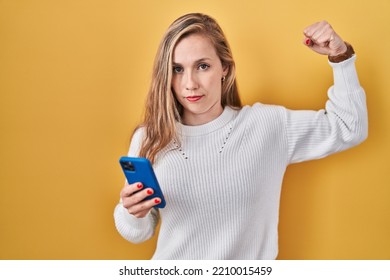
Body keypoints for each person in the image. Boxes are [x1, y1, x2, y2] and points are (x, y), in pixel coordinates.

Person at [113, 13, 368, 260]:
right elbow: (139, 233)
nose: (190, 83)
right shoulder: (151, 137)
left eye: (203, 66)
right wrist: (131, 212)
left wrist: (340, 56)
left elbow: (349, 126)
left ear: (224, 68)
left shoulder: (267, 126)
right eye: (177, 69)